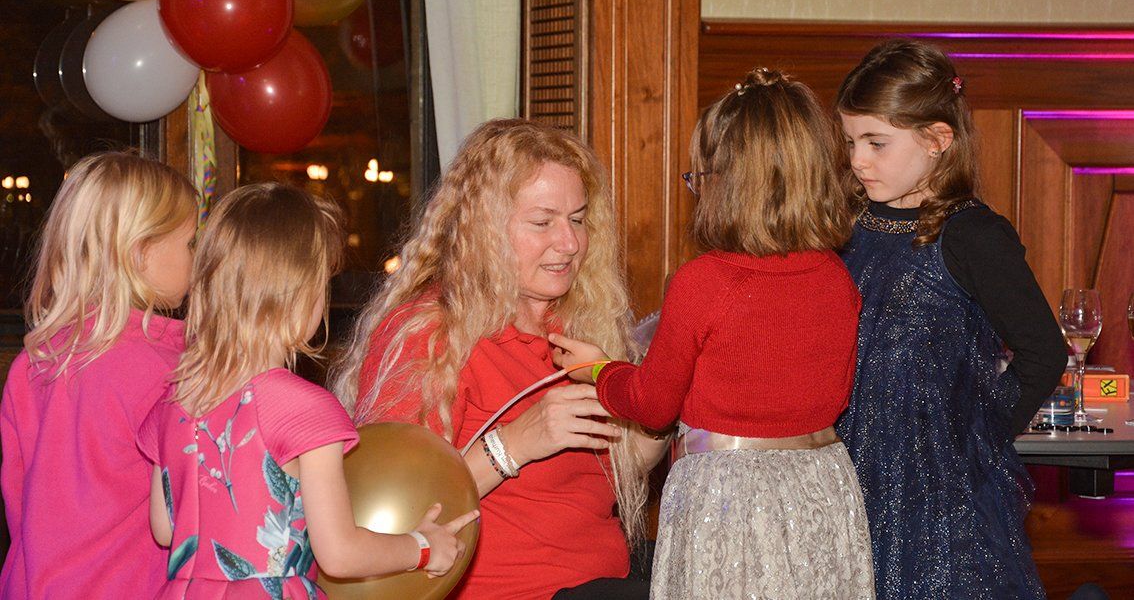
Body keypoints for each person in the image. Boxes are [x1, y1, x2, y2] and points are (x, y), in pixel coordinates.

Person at [551, 68, 875, 599]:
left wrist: (599, 370)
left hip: (729, 494)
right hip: (823, 483)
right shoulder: (835, 278)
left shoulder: (705, 282)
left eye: (699, 177)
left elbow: (654, 406)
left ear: (726, 184)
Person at [330, 119, 668, 599]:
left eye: (577, 219)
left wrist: (654, 402)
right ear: (484, 228)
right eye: (542, 221)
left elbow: (624, 467)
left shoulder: (580, 327)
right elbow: (398, 514)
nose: (569, 243)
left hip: (602, 580)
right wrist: (514, 444)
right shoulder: (429, 333)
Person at [136, 184, 477, 598]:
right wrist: (422, 547)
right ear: (299, 294)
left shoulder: (176, 399)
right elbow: (338, 553)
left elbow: (165, 526)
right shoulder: (303, 408)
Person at [834, 39, 1066, 599]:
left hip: (938, 497)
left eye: (876, 143)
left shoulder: (971, 236)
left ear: (939, 139)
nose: (858, 160)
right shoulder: (845, 224)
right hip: (844, 476)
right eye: (850, 142)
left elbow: (1044, 353)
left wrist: (976, 437)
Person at [0, 152, 198, 599]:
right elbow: (193, 515)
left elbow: (20, 506)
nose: (195, 258)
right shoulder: (170, 372)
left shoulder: (32, 366)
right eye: (189, 243)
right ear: (140, 251)